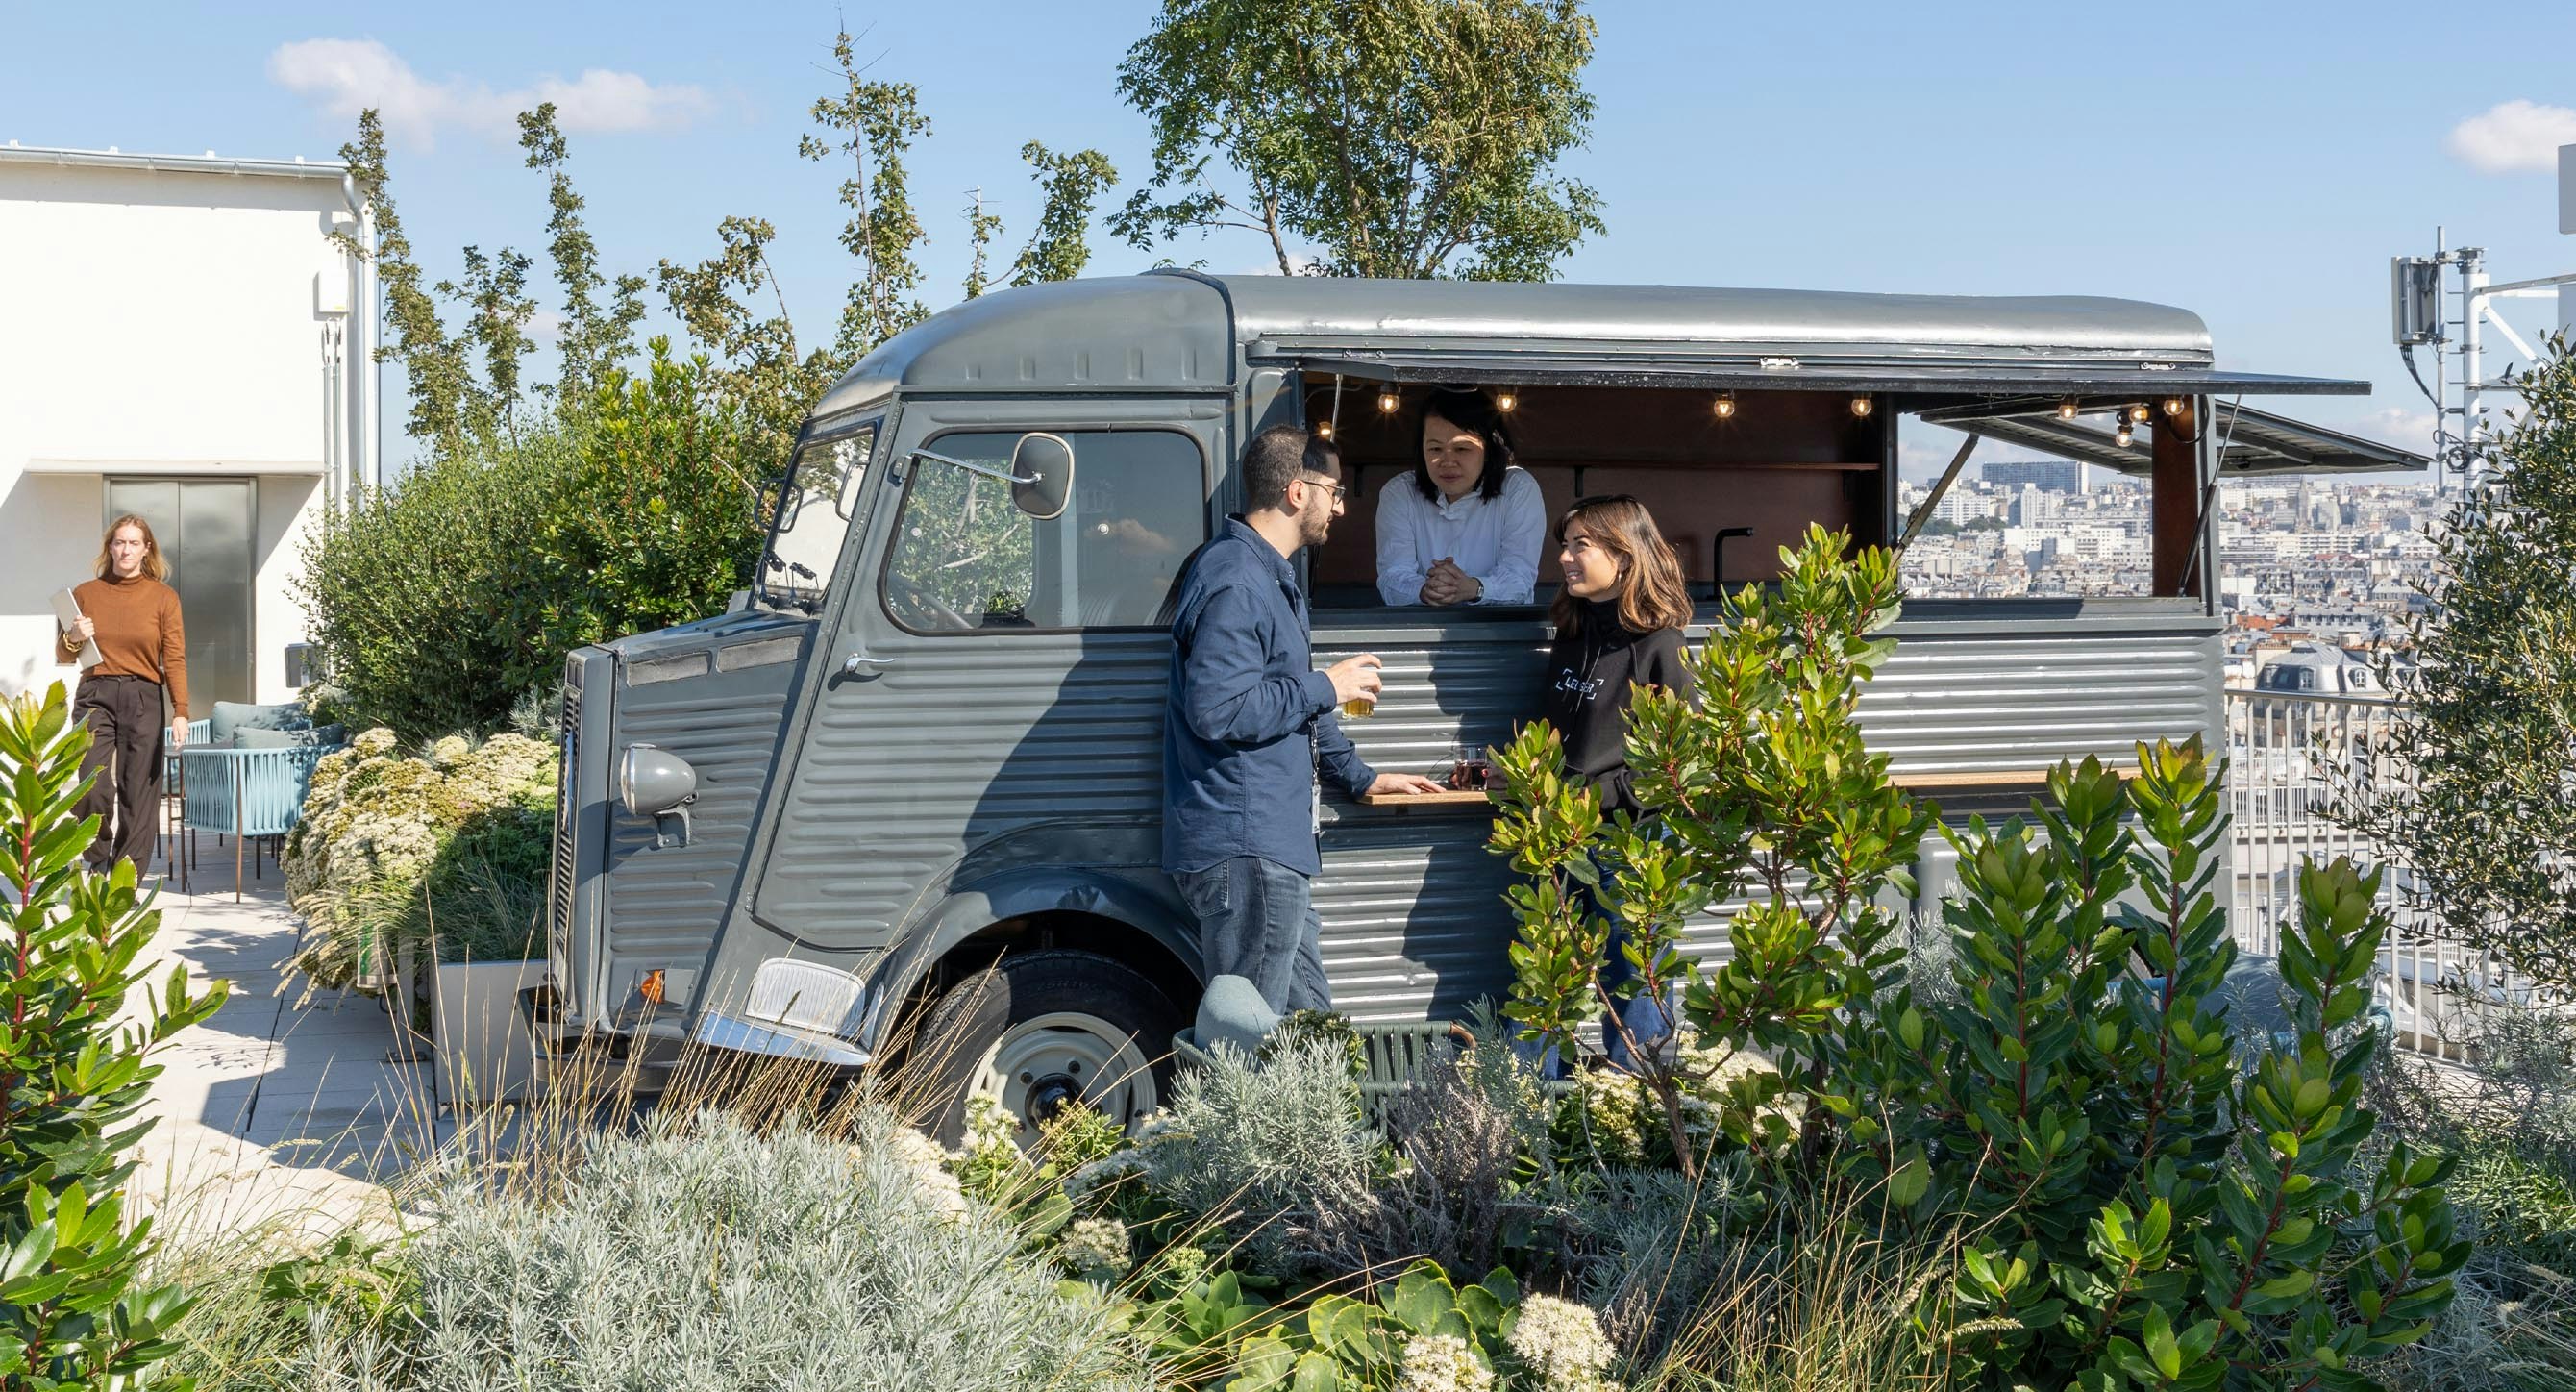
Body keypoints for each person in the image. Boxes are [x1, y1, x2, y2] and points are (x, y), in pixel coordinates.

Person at [1165, 425, 1445, 1013]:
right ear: (1298, 491)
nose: (1340, 507)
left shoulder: (1267, 576)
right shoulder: (1237, 580)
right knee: (1254, 1041)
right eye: (1335, 491)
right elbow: (1218, 709)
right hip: (1248, 845)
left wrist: (1362, 777)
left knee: (1308, 1032)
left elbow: (1289, 705)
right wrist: (1329, 685)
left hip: (1269, 848)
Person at [1540, 494, 1696, 1065]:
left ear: (1625, 557)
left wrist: (1595, 795)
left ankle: (1643, 1119)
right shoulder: (1573, 632)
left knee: (1638, 984)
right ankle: (1527, 1117)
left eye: (1581, 544)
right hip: (1560, 833)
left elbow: (1678, 765)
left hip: (1632, 842)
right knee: (1543, 972)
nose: (1564, 557)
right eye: (1565, 543)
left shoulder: (1661, 647)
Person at [57, 514, 189, 874]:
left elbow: (174, 656)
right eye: (119, 542)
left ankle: (125, 877)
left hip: (143, 695)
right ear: (109, 547)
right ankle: (98, 859)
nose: (125, 549)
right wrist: (75, 636)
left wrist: (181, 710)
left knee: (138, 792)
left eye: (134, 543)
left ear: (147, 549)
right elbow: (64, 655)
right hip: (95, 694)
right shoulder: (85, 594)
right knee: (92, 783)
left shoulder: (163, 597)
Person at [1374, 388, 1547, 607]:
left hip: (1500, 632)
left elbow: (1519, 580)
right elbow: (1392, 576)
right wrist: (1424, 590)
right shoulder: (1400, 492)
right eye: (1435, 448)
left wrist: (1471, 588)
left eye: (1462, 448)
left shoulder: (1518, 488)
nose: (1447, 461)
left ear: (1489, 450)